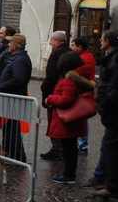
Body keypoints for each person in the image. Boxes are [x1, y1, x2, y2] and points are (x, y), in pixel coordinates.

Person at [45, 52, 88, 184]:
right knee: (69, 147)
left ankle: (68, 175)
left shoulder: (68, 81)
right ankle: (68, 173)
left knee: (69, 148)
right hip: (70, 120)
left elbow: (66, 100)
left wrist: (50, 98)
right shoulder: (73, 78)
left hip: (67, 120)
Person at [91, 30, 118, 198]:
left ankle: (112, 186)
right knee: (108, 146)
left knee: (111, 147)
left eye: (102, 39)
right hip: (112, 111)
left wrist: (104, 105)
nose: (100, 41)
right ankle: (104, 179)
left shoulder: (115, 59)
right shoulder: (112, 57)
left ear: (108, 41)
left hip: (114, 112)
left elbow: (113, 87)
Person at [0, 34, 31, 162]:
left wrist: (2, 86)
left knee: (12, 129)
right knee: (10, 128)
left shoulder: (20, 59)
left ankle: (17, 156)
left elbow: (19, 79)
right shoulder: (17, 57)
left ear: (16, 45)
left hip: (14, 98)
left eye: (11, 43)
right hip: (12, 97)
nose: (8, 45)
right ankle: (12, 154)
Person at [40, 31, 71, 161]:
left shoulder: (57, 54)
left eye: (52, 40)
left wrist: (45, 92)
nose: (50, 42)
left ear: (58, 41)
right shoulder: (69, 52)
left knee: (54, 122)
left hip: (55, 93)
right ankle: (61, 149)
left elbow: (51, 75)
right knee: (61, 122)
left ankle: (57, 150)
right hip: (62, 92)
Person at [70, 37, 96, 154]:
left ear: (80, 47)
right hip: (81, 91)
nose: (72, 48)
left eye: (74, 45)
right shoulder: (83, 56)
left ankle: (82, 145)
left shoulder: (85, 58)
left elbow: (76, 73)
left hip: (83, 92)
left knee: (81, 119)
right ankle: (80, 144)